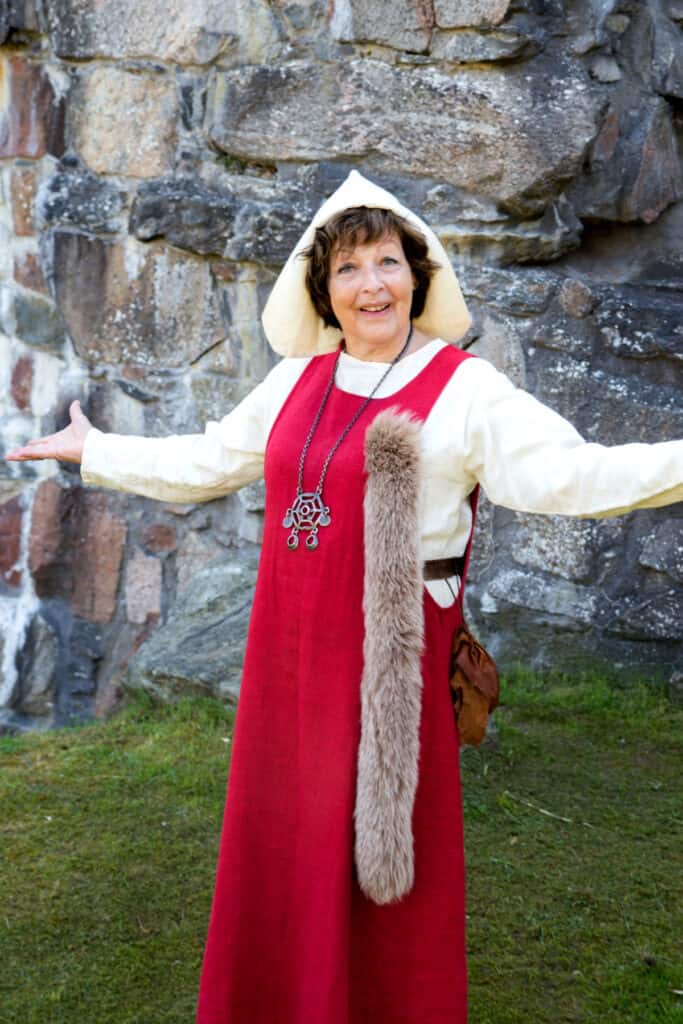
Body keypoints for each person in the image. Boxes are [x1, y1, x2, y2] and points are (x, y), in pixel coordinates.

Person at [5, 170, 683, 1023]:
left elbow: (570, 474)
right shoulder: (298, 378)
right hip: (290, 647)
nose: (372, 284)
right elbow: (211, 460)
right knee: (289, 835)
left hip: (391, 657)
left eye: (388, 263)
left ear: (419, 275)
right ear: (324, 290)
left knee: (383, 850)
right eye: (350, 268)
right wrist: (93, 451)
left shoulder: (464, 388)